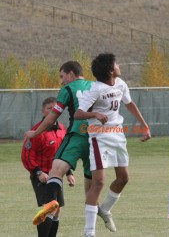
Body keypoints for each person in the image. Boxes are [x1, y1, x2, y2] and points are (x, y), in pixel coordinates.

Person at [74, 53, 151, 237]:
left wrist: (144, 125)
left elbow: (129, 103)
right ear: (110, 70)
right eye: (116, 63)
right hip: (99, 137)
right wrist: (95, 115)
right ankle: (89, 232)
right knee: (98, 182)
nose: (119, 65)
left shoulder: (120, 84)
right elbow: (78, 113)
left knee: (123, 178)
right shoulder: (95, 89)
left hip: (117, 135)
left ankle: (105, 209)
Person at [24, 61, 93, 231]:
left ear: (71, 73)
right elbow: (27, 156)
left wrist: (35, 133)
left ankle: (50, 205)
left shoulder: (67, 91)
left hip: (77, 135)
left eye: (62, 77)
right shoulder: (96, 86)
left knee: (52, 200)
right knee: (92, 183)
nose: (62, 81)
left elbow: (53, 117)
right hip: (96, 137)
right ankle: (95, 217)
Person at [21, 97, 71, 237]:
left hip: (57, 175)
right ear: (42, 111)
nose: (52, 111)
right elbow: (27, 156)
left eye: (55, 109)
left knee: (57, 209)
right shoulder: (36, 131)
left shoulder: (62, 129)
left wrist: (69, 173)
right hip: (41, 176)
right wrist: (38, 173)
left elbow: (64, 153)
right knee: (49, 208)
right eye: (49, 108)